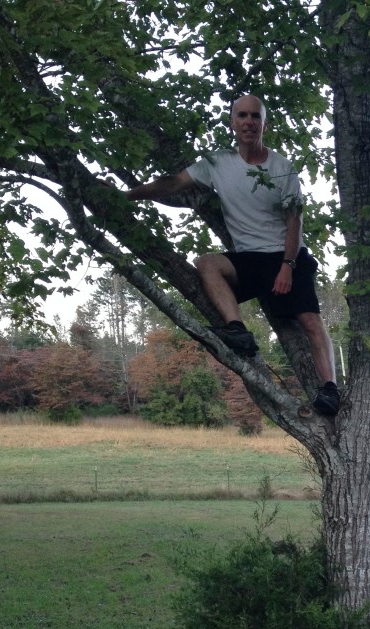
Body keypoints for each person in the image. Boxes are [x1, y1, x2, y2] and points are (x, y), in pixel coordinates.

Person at [122, 94, 340, 417]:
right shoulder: (217, 163)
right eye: (242, 116)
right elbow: (172, 183)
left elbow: (295, 222)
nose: (249, 122)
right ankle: (237, 329)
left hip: (285, 256)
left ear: (264, 123)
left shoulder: (282, 169)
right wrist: (128, 195)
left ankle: (330, 390)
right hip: (248, 259)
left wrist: (288, 267)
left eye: (255, 116)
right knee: (207, 263)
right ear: (232, 122)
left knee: (310, 321)